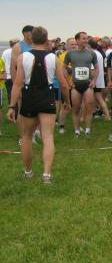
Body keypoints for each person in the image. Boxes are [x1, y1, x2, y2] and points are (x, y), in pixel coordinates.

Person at [6, 26, 68, 183]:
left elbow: (17, 84)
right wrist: (67, 101)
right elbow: (63, 83)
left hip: (29, 98)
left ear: (31, 39)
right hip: (47, 97)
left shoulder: (22, 57)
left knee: (26, 137)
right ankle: (46, 175)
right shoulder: (54, 58)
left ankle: (28, 172)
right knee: (48, 136)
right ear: (46, 39)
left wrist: (12, 106)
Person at [63, 31, 99, 138]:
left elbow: (97, 68)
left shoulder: (91, 53)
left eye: (86, 38)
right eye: (83, 38)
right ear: (77, 40)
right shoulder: (70, 53)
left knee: (88, 108)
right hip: (75, 86)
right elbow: (63, 68)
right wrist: (69, 82)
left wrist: (94, 81)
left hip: (88, 85)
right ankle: (77, 131)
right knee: (76, 109)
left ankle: (87, 130)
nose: (86, 40)